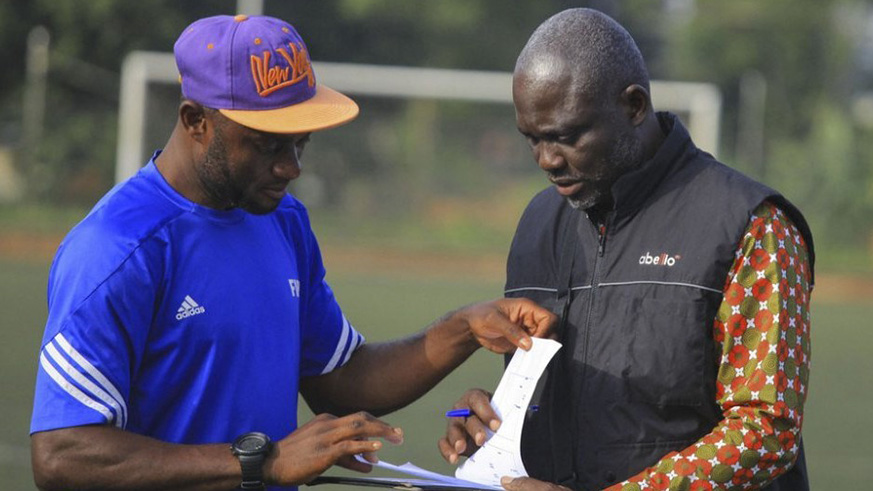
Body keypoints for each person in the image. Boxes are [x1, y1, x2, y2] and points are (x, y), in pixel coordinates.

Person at [29, 14, 557, 491]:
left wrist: (463, 328)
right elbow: (62, 456)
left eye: (300, 144)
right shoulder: (118, 249)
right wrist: (262, 461)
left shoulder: (282, 220)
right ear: (195, 120)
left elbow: (340, 382)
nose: (291, 168)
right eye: (268, 145)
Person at [439, 8, 814, 491]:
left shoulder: (750, 224)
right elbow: (588, 410)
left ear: (634, 106)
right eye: (531, 139)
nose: (547, 160)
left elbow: (766, 429)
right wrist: (497, 425)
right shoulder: (539, 221)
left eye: (567, 136)